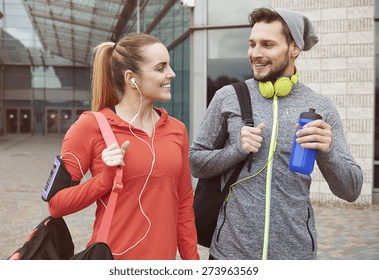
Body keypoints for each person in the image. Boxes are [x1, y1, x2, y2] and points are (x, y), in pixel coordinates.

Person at [189, 7, 363, 260]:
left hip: (295, 255)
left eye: (267, 44)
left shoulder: (321, 108)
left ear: (294, 48)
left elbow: (351, 190)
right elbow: (196, 162)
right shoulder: (227, 97)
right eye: (252, 44)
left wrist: (328, 151)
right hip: (230, 254)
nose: (255, 54)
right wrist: (236, 150)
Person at [47, 33, 200, 260]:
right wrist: (104, 180)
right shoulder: (91, 126)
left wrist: (192, 263)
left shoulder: (177, 130)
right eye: (161, 68)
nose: (172, 74)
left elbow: (184, 205)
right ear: (131, 79)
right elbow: (56, 205)